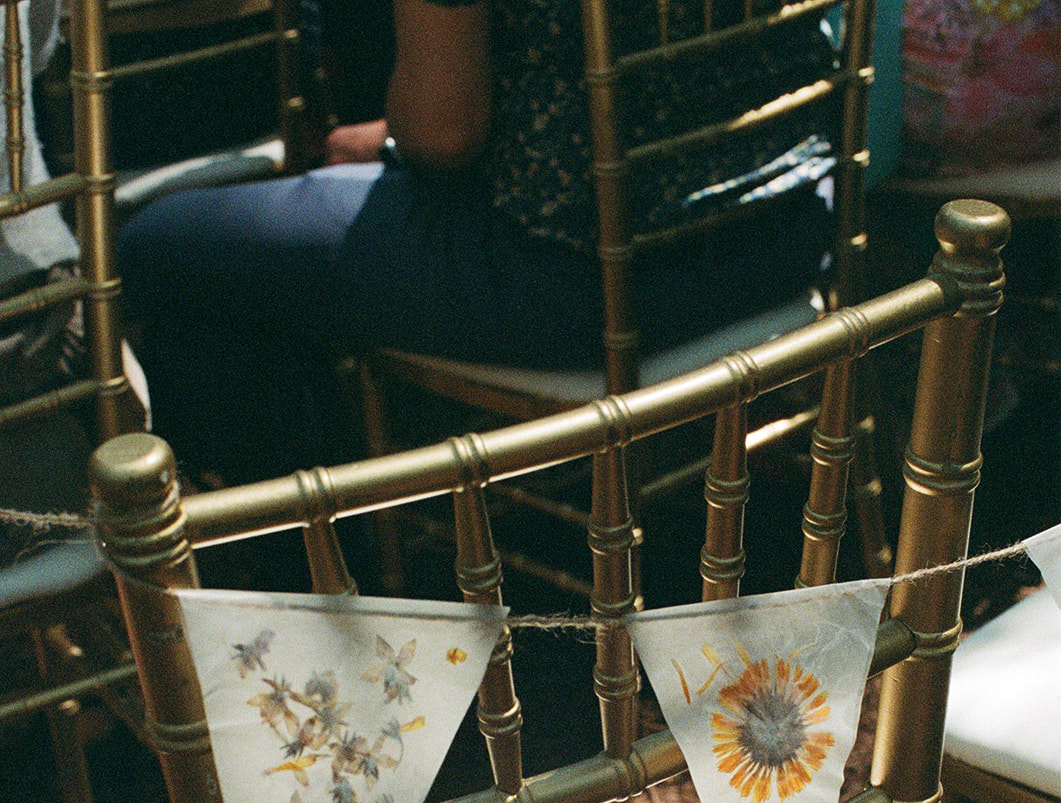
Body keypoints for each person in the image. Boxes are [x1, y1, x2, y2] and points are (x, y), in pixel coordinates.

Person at [118, 0, 839, 485]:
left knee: (159, 244)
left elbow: (444, 138)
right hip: (784, 234)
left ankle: (314, 587)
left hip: (581, 283)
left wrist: (403, 130)